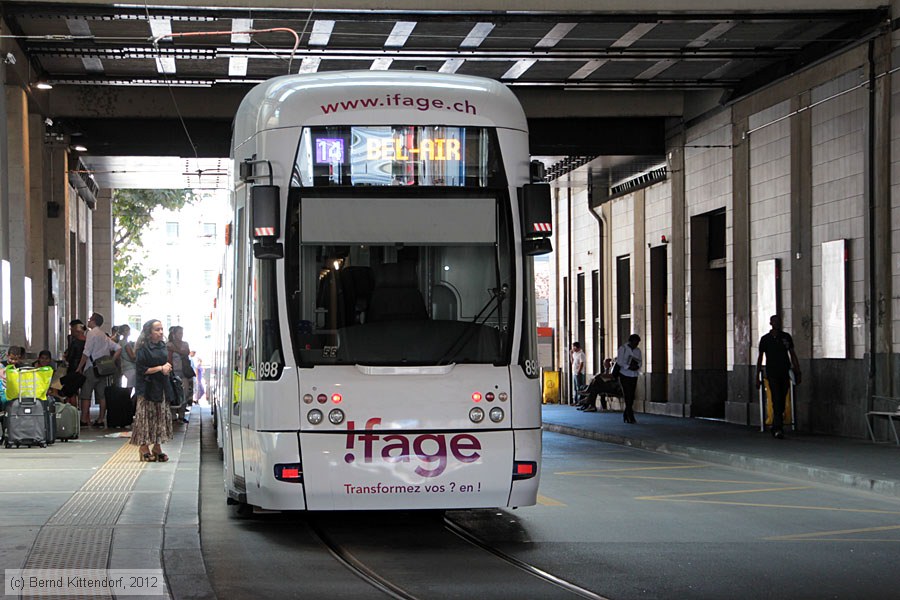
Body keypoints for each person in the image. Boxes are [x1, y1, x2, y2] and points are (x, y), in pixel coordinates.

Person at [130, 319, 174, 462]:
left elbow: (163, 362)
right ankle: (143, 447)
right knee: (145, 417)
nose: (161, 332)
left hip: (161, 386)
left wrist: (166, 367)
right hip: (147, 388)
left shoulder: (162, 346)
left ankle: (157, 446)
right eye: (157, 330)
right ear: (149, 332)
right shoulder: (142, 349)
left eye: (162, 329)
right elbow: (142, 370)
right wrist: (161, 368)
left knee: (160, 416)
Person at [756, 314, 801, 439]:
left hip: (784, 371)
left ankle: (777, 424)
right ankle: (777, 427)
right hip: (772, 373)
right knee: (776, 397)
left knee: (782, 397)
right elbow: (760, 357)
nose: (776, 323)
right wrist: (757, 375)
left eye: (778, 321)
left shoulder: (786, 337)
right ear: (770, 323)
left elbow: (792, 354)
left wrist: (797, 371)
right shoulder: (765, 339)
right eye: (774, 321)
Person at [76, 312, 121, 427]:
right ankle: (101, 419)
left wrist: (79, 367)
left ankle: (84, 419)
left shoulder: (92, 334)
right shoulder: (103, 335)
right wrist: (111, 361)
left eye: (90, 319)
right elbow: (118, 348)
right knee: (101, 395)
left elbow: (86, 352)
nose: (88, 321)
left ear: (94, 321)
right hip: (103, 370)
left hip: (91, 368)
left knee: (86, 394)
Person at [167, 326, 193, 423]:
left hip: (184, 372)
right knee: (174, 394)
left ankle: (182, 415)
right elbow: (168, 359)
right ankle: (173, 416)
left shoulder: (185, 344)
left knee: (184, 393)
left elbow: (186, 352)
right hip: (173, 373)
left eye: (182, 333)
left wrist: (175, 349)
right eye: (179, 333)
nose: (181, 335)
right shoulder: (168, 345)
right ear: (174, 334)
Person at [616, 334, 642, 424]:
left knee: (632, 395)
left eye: (637, 343)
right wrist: (628, 366)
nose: (636, 345)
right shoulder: (623, 348)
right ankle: (630, 415)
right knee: (627, 395)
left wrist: (637, 366)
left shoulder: (638, 351)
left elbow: (640, 361)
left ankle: (626, 413)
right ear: (630, 341)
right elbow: (619, 361)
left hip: (634, 375)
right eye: (635, 343)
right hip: (624, 374)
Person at [118, 324, 137, 390]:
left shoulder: (120, 342)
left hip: (124, 366)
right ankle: (128, 399)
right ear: (123, 332)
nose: (129, 331)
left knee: (130, 385)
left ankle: (128, 399)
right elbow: (132, 356)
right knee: (131, 386)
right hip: (130, 367)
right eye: (127, 330)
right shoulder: (125, 343)